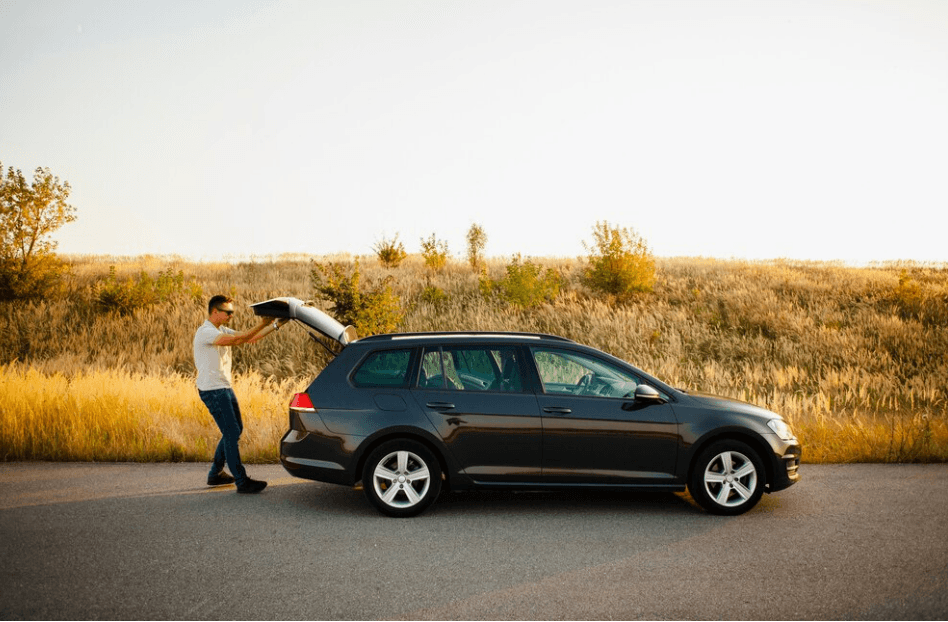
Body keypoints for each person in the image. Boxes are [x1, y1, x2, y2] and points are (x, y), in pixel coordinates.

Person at [193, 295, 287, 494]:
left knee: (235, 430)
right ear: (215, 311)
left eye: (232, 312)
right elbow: (238, 340)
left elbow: (249, 338)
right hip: (213, 390)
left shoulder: (221, 330)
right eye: (228, 312)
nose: (231, 316)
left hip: (223, 387)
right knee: (231, 432)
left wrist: (277, 325)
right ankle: (242, 481)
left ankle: (215, 474)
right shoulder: (206, 332)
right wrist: (262, 322)